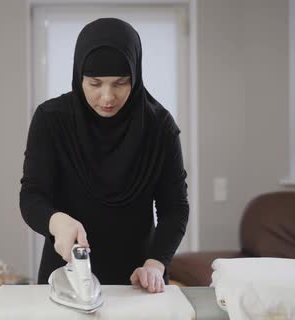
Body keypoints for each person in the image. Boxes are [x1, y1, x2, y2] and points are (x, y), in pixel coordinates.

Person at [20, 18, 188, 293]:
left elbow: (175, 208)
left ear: (136, 75)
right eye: (95, 83)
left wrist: (156, 264)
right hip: (67, 276)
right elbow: (32, 195)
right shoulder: (51, 119)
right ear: (79, 76)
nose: (107, 97)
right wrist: (56, 220)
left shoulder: (160, 126)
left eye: (121, 83)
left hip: (140, 278)